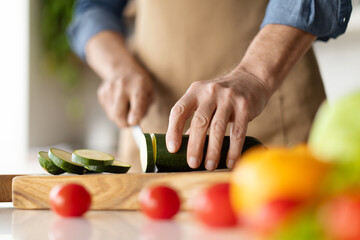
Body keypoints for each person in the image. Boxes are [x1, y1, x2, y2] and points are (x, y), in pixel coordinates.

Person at [68, 0, 352, 172]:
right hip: (151, 127)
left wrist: (253, 75)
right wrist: (118, 69)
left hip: (278, 127)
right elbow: (93, 9)